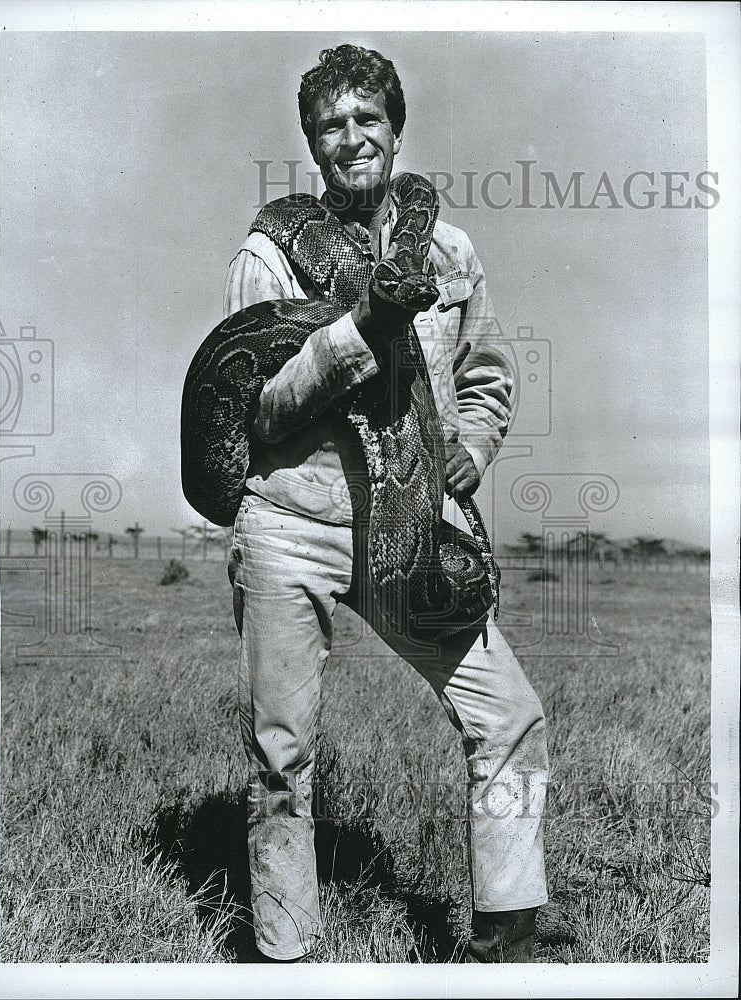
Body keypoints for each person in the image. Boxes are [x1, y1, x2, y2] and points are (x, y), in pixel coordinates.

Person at [223, 43, 548, 963]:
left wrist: (473, 453)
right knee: (282, 760)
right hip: (291, 519)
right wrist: (361, 330)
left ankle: (508, 935)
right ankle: (290, 959)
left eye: (368, 119)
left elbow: (486, 374)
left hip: (413, 528)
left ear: (396, 131)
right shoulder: (268, 254)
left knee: (508, 712)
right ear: (311, 144)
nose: (351, 138)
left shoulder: (448, 250)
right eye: (331, 125)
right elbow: (261, 409)